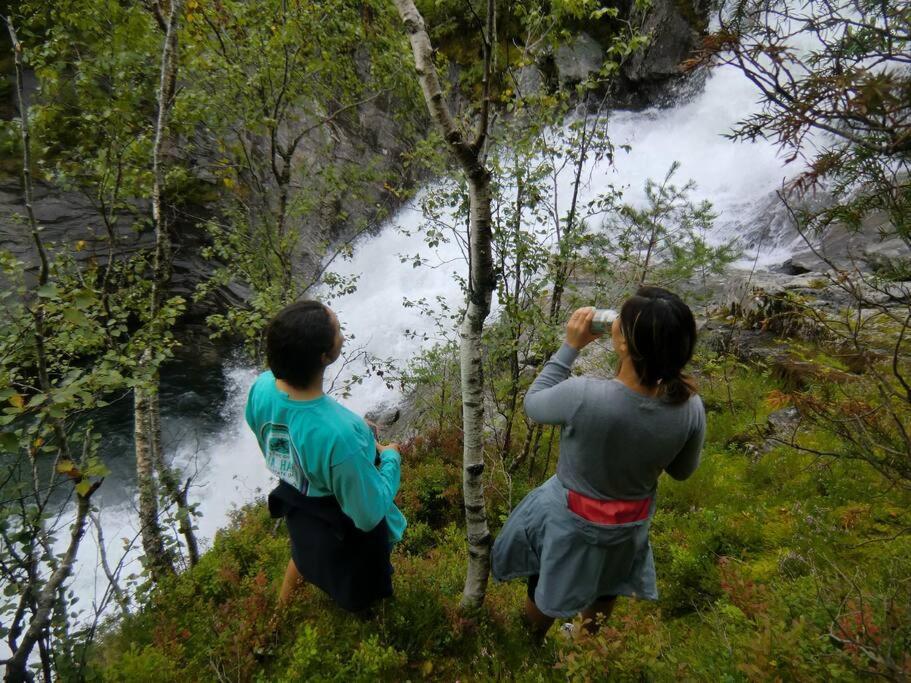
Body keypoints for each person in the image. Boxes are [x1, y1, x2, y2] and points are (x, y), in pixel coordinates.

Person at [492, 286, 706, 640]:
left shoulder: (585, 395)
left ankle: (528, 642)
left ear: (623, 344)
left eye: (620, 323)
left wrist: (570, 347)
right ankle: (587, 646)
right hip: (628, 526)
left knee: (548, 580)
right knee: (609, 581)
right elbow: (682, 472)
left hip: (571, 522)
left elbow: (534, 404)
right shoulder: (690, 407)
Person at [245, 300, 406, 614]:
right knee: (363, 589)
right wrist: (390, 459)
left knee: (304, 549)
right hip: (340, 523)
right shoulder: (340, 436)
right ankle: (368, 617)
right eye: (337, 330)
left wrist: (353, 432)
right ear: (323, 357)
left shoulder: (261, 387)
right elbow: (368, 514)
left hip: (296, 492)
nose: (342, 334)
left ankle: (279, 611)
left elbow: (284, 426)